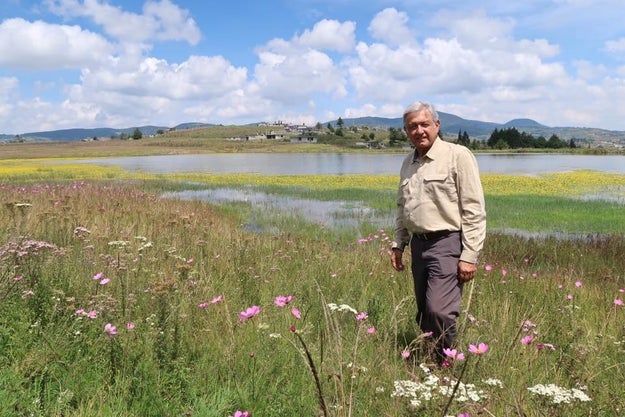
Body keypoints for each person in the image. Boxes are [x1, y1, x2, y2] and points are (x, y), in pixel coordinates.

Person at [390, 100, 486, 364]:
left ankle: (443, 366)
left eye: (424, 124)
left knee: (440, 310)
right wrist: (399, 244)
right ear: (406, 131)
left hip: (447, 243)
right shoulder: (408, 163)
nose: (419, 130)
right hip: (418, 246)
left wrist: (470, 255)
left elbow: (474, 209)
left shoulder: (458, 156)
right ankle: (429, 358)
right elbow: (403, 206)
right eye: (412, 127)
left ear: (437, 125)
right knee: (424, 312)